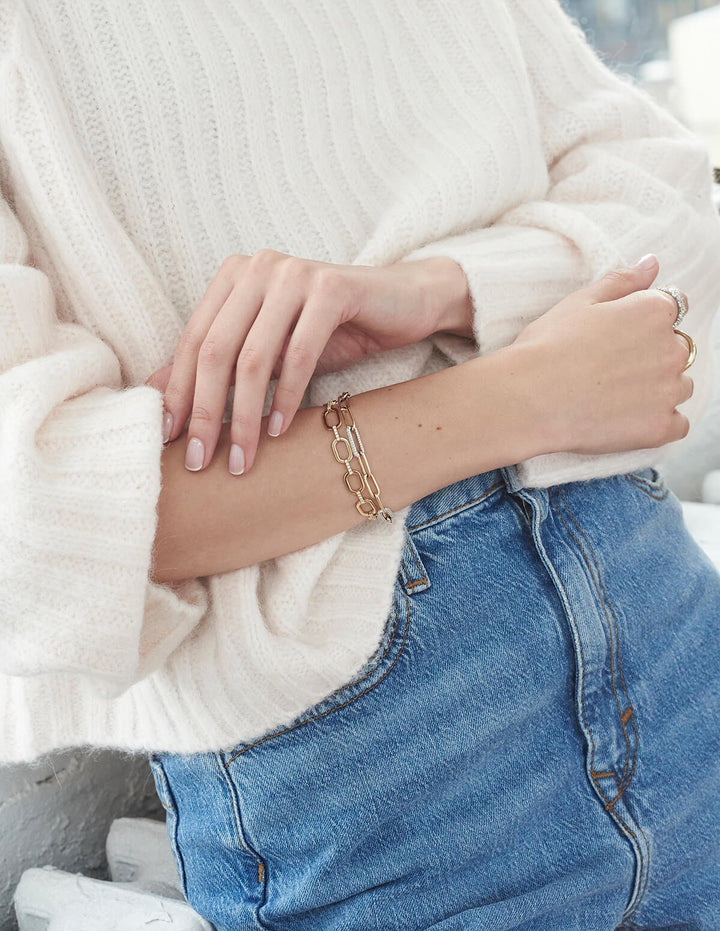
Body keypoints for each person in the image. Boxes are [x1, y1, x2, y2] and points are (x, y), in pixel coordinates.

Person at [1, 0, 719, 928]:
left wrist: (433, 291)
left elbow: (669, 195)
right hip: (372, 764)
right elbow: (33, 519)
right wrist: (525, 397)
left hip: (664, 619)